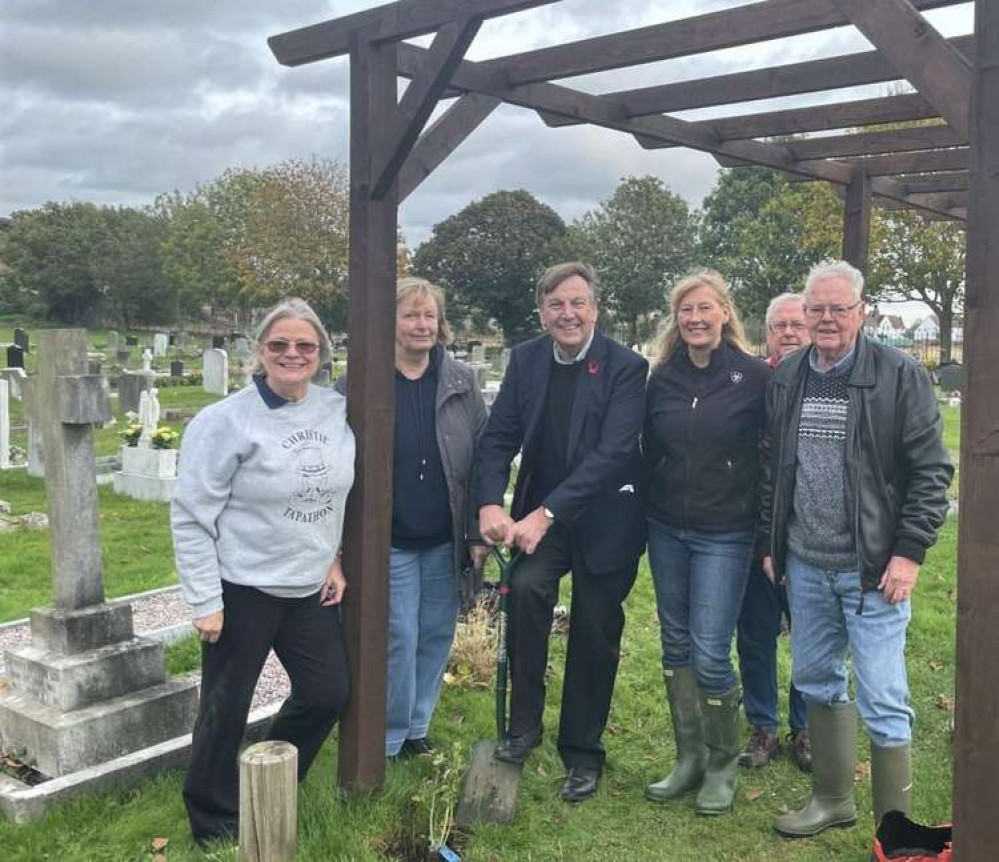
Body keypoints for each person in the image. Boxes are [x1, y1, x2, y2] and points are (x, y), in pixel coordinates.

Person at [760, 260, 953, 837]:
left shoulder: (898, 375)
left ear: (860, 312)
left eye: (837, 309)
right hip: (806, 562)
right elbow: (775, 467)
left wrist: (909, 552)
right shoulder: (790, 373)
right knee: (817, 678)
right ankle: (831, 799)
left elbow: (930, 472)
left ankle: (895, 830)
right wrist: (773, 543)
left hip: (873, 568)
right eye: (815, 309)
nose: (825, 320)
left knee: (884, 697)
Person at [171, 298, 354, 845]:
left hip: (309, 588)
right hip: (242, 587)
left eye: (305, 345)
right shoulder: (224, 422)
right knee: (226, 708)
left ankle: (270, 779)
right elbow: (191, 515)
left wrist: (336, 556)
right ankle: (211, 815)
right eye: (279, 345)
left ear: (321, 353)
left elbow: (339, 494)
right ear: (259, 352)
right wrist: (205, 598)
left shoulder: (335, 408)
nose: (292, 354)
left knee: (327, 693)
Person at [475, 261, 647, 803]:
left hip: (605, 520)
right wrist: (487, 504)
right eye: (556, 304)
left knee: (595, 630)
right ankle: (525, 726)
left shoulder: (625, 367)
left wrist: (544, 514)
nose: (567, 313)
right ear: (542, 312)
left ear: (595, 308)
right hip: (537, 523)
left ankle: (582, 752)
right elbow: (498, 437)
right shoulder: (526, 360)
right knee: (525, 594)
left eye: (577, 303)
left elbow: (613, 455)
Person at [644, 270, 769, 816]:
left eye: (705, 309)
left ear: (725, 313)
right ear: (677, 320)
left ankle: (722, 762)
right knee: (675, 647)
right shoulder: (662, 379)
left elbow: (769, 458)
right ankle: (688, 756)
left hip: (725, 531)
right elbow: (647, 449)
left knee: (711, 651)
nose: (695, 319)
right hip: (667, 527)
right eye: (685, 311)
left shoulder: (754, 378)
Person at [351, 276, 489, 759]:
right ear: (389, 322)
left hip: (444, 536)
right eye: (411, 314)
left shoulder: (459, 380)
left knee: (435, 632)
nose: (422, 324)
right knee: (398, 634)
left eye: (430, 315)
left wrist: (476, 529)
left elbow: (482, 457)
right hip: (390, 536)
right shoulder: (363, 380)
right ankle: (387, 736)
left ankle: (416, 726)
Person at [736, 292, 812, 772]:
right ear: (767, 333)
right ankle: (762, 724)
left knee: (811, 635)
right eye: (778, 325)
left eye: (796, 324)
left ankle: (805, 727)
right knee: (755, 634)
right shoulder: (754, 382)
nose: (788, 332)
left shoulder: (826, 383)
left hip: (809, 537)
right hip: (750, 531)